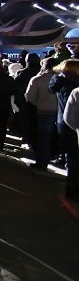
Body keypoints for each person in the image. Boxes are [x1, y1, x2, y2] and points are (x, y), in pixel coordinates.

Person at [48, 59, 79, 202]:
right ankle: (72, 191)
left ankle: (72, 190)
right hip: (72, 127)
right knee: (74, 160)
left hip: (64, 124)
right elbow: (72, 114)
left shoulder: (60, 82)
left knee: (72, 160)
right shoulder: (72, 87)